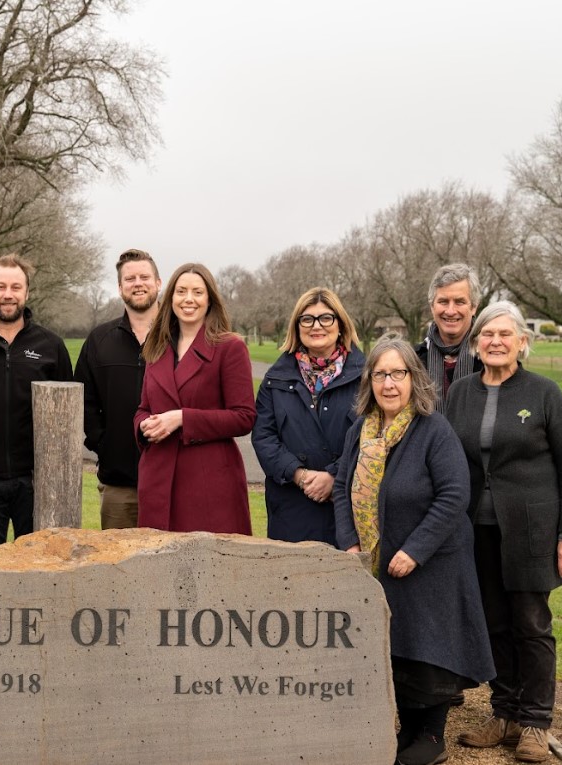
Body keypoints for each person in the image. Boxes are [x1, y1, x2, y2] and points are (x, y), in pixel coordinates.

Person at [333, 334, 494, 765]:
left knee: (429, 649)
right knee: (396, 648)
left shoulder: (432, 429)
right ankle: (406, 731)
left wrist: (415, 550)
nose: (389, 384)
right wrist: (349, 542)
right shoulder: (361, 431)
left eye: (398, 374)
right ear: (369, 380)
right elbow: (342, 489)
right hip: (377, 561)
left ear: (413, 379)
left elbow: (454, 495)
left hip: (431, 563)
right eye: (381, 374)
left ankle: (433, 738)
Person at [446, 301, 562, 764]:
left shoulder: (544, 393)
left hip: (531, 530)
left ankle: (535, 722)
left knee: (531, 624)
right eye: (487, 335)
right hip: (475, 529)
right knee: (493, 623)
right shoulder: (460, 393)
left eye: (505, 334)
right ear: (475, 343)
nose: (496, 342)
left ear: (522, 341)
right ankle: (503, 714)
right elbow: (449, 459)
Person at [134, 263, 256, 533]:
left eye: (197, 292)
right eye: (181, 291)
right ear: (171, 298)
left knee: (210, 570)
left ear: (209, 299)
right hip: (157, 478)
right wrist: (143, 425)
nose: (189, 299)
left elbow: (244, 416)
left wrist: (182, 418)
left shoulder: (230, 347)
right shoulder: (156, 346)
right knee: (158, 569)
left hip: (209, 482)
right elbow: (143, 407)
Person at [251, 287, 365, 545]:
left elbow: (373, 433)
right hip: (292, 505)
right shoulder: (275, 378)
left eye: (326, 318)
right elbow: (263, 437)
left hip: (347, 504)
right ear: (297, 325)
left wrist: (334, 476)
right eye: (307, 319)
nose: (317, 326)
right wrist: (300, 476)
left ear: (340, 324)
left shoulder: (366, 375)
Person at [0, 253, 74, 546]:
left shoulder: (50, 346)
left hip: (36, 480)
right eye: (0, 287)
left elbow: (69, 414)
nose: (8, 295)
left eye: (15, 287)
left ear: (27, 292)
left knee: (37, 569)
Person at [75, 248, 162, 529]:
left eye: (145, 277)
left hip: (173, 479)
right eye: (130, 278)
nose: (138, 283)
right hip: (118, 484)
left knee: (175, 568)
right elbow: (82, 400)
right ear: (120, 287)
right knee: (117, 568)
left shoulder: (179, 337)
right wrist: (102, 443)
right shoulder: (100, 340)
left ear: (158, 283)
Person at [416, 263, 482, 412]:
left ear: (474, 307)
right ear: (432, 307)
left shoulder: (489, 361)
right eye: (443, 302)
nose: (451, 311)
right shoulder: (413, 362)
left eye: (459, 302)